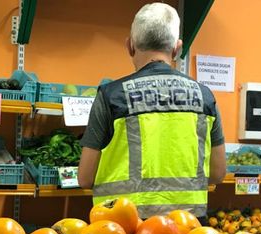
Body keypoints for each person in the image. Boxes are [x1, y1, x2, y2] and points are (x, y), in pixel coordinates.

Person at [77, 2, 226, 219]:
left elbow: (85, 178)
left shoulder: (111, 95)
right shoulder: (205, 97)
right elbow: (218, 173)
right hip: (188, 230)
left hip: (122, 232)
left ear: (130, 45)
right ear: (177, 48)